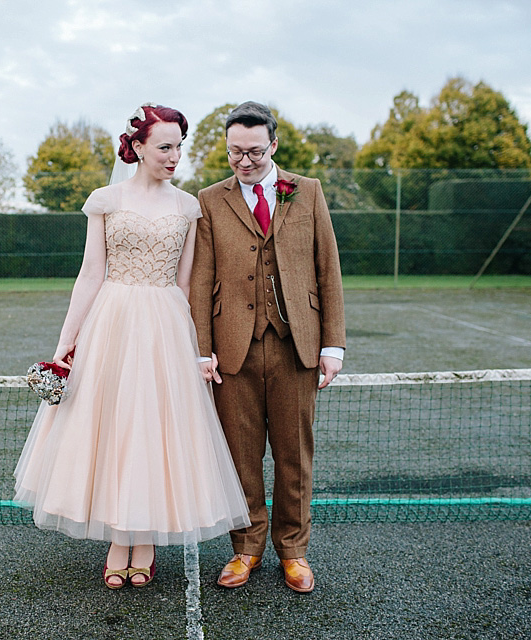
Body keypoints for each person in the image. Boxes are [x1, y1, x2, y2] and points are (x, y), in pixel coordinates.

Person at [14, 103, 250, 590]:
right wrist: (67, 341)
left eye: (179, 146)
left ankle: (142, 543)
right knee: (115, 428)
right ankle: (119, 542)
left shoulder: (188, 206)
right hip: (112, 322)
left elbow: (187, 287)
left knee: (155, 431)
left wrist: (195, 348)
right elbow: (89, 273)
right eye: (164, 146)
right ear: (137, 147)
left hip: (165, 325)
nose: (174, 156)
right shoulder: (105, 199)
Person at [189, 101, 346, 594]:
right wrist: (202, 348)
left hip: (297, 345)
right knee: (240, 455)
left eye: (254, 151)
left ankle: (294, 552)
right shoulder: (210, 200)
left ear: (273, 146)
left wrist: (333, 345)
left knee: (294, 454)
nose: (244, 161)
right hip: (232, 349)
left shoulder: (308, 191)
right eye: (235, 151)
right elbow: (201, 278)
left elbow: (328, 269)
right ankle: (246, 548)